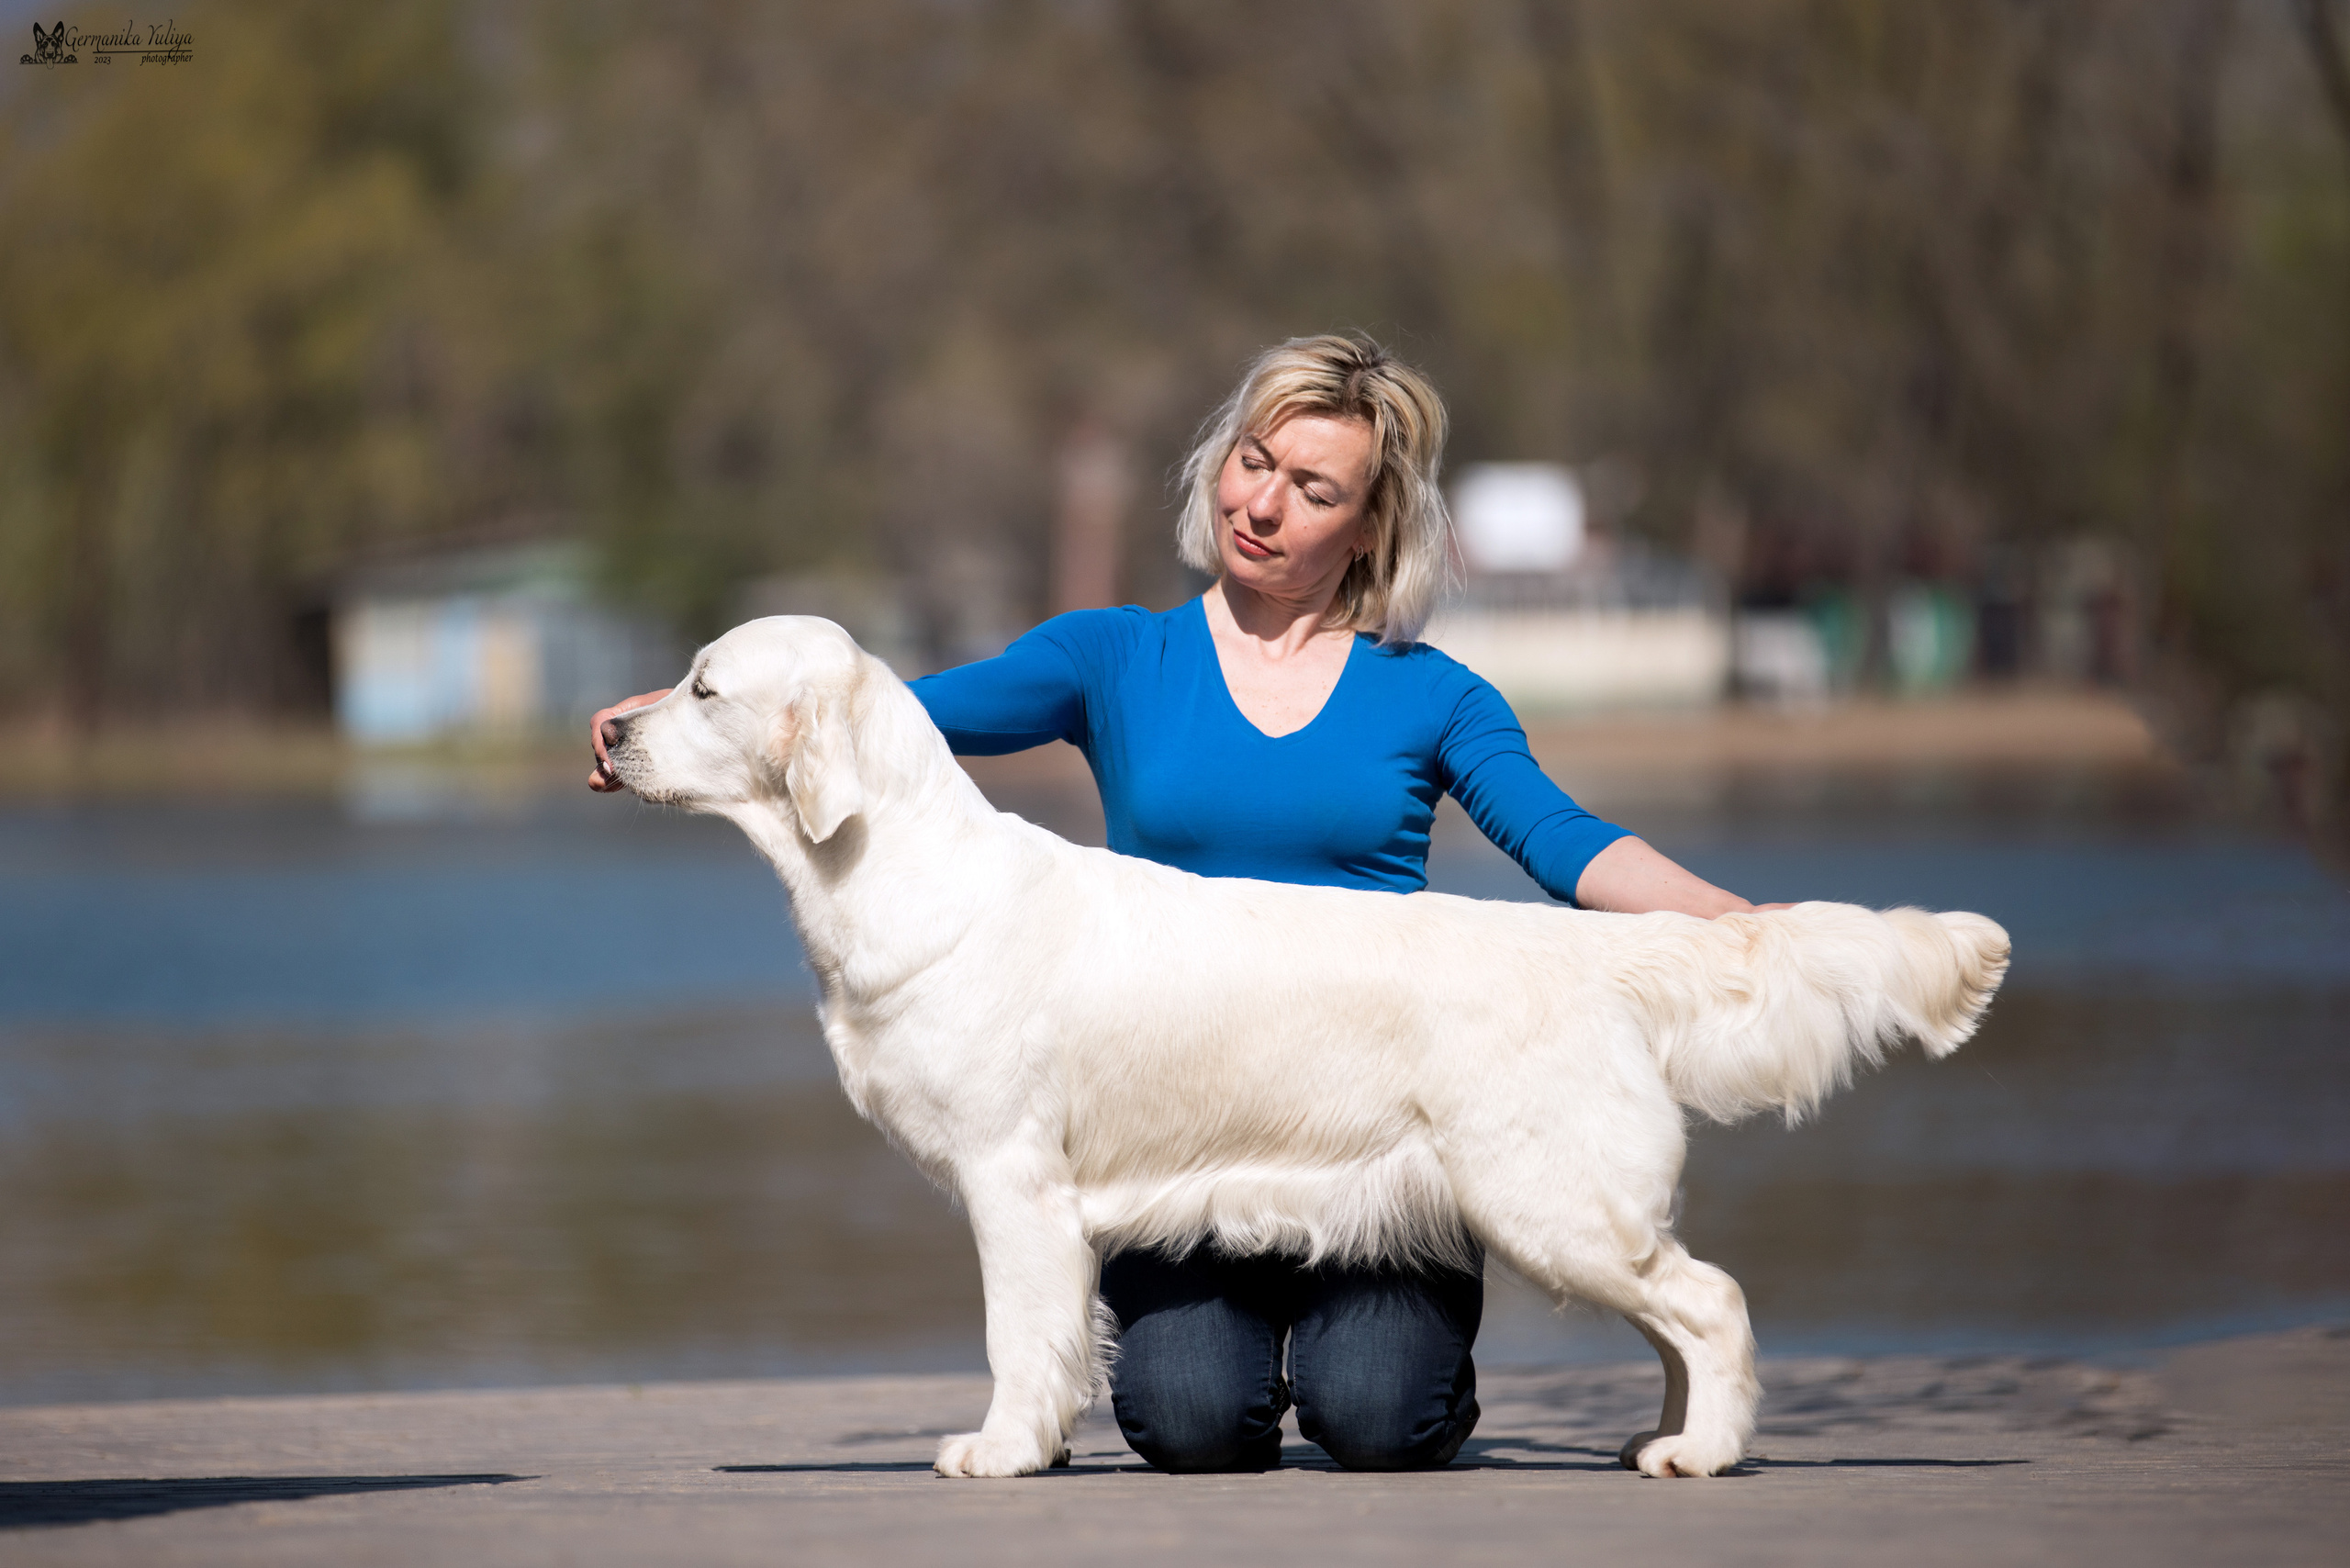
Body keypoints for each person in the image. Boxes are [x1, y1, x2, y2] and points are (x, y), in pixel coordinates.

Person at [588, 333, 1780, 1474]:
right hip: (1179, 1133)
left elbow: (1563, 842)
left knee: (1378, 1416)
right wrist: (681, 717)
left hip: (1379, 1116)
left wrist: (1737, 934)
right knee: (1191, 1423)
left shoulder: (1434, 694)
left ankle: (1620, 1352)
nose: (1260, 505)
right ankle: (1096, 1390)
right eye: (1252, 463)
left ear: (1372, 525)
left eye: (1311, 487)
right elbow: (875, 713)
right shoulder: (1114, 656)